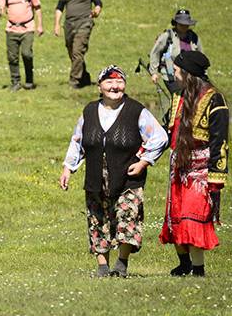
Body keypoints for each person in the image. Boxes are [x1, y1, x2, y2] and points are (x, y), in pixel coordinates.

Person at [59, 65, 168, 277]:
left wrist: (144, 162)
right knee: (97, 220)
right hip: (95, 178)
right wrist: (67, 168)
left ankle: (121, 264)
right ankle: (102, 267)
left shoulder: (136, 111)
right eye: (109, 82)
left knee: (127, 219)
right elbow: (78, 141)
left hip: (127, 178)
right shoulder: (89, 111)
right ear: (100, 86)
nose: (114, 86)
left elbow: (160, 137)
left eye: (119, 82)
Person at [159, 51, 228, 277]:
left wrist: (215, 178)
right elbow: (168, 131)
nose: (174, 73)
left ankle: (198, 270)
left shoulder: (215, 100)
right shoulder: (179, 97)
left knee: (193, 217)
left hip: (200, 171)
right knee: (176, 217)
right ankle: (184, 263)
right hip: (178, 168)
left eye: (177, 70)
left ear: (188, 74)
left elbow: (220, 141)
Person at [0, 0, 44, 91]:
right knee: (12, 57)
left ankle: (29, 80)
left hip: (27, 27)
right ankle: (15, 82)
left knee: (27, 54)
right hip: (11, 28)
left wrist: (39, 25)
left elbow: (37, 8)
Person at [54, 0, 102, 88]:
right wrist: (57, 25)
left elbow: (98, 3)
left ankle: (74, 81)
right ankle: (84, 77)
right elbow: (60, 8)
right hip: (69, 25)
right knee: (73, 53)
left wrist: (96, 11)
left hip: (84, 23)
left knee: (77, 51)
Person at [149, 9, 203, 94]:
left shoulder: (193, 37)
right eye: (181, 24)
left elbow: (200, 56)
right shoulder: (167, 36)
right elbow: (155, 53)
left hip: (189, 77)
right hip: (171, 75)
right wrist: (154, 72)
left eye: (186, 24)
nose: (184, 26)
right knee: (179, 99)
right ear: (176, 23)